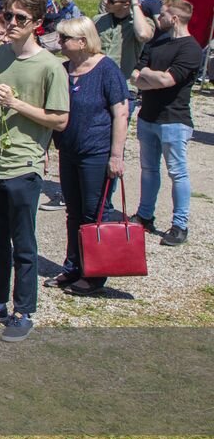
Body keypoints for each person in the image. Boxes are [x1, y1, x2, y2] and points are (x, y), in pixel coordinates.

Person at [0, 0, 69, 342]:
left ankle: (24, 311)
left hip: (24, 164)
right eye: (9, 16)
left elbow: (60, 120)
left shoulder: (50, 66)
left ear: (37, 23)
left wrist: (17, 104)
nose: (12, 23)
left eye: (21, 18)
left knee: (23, 244)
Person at [48, 16, 128, 295]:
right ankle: (73, 266)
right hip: (69, 150)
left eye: (64, 38)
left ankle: (94, 274)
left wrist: (116, 155)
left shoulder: (107, 70)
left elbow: (121, 113)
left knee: (93, 213)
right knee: (73, 212)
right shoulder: (64, 70)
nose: (59, 42)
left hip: (96, 152)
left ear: (82, 41)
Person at [132, 0, 204, 247]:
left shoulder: (191, 49)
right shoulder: (156, 42)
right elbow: (135, 74)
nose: (158, 18)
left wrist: (147, 76)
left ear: (174, 19)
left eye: (162, 14)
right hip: (147, 117)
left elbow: (167, 80)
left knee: (177, 172)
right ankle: (144, 216)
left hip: (174, 120)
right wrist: (151, 77)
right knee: (149, 170)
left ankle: (179, 225)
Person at [95, 0, 154, 115]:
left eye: (111, 0)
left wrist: (135, 4)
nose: (105, 1)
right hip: (97, 84)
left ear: (126, 4)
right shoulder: (98, 20)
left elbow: (144, 35)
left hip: (124, 86)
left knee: (119, 127)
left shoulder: (141, 23)